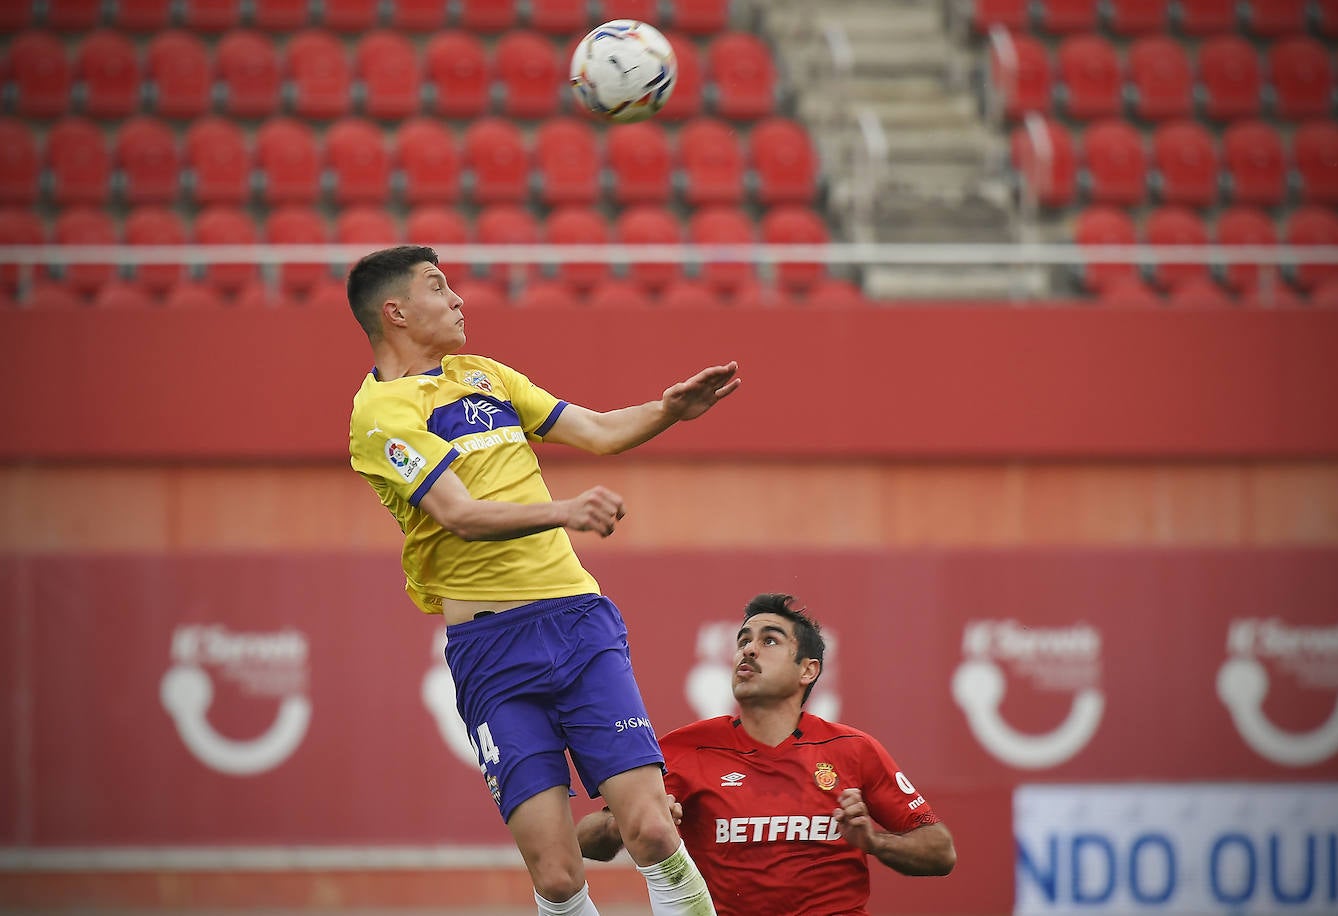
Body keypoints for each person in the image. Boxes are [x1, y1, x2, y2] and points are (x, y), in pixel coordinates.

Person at [345, 245, 739, 916]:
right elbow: (460, 515)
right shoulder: (381, 417)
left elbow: (599, 430)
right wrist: (565, 510)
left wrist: (668, 409)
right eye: (439, 288)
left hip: (577, 621)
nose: (459, 299)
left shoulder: (487, 377)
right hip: (491, 651)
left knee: (649, 828)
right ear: (396, 312)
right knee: (557, 877)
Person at [577, 593, 956, 916]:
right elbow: (585, 839)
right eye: (744, 640)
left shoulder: (854, 750)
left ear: (808, 670)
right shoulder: (684, 748)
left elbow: (940, 851)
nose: (748, 649)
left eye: (770, 640)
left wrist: (872, 842)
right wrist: (628, 821)